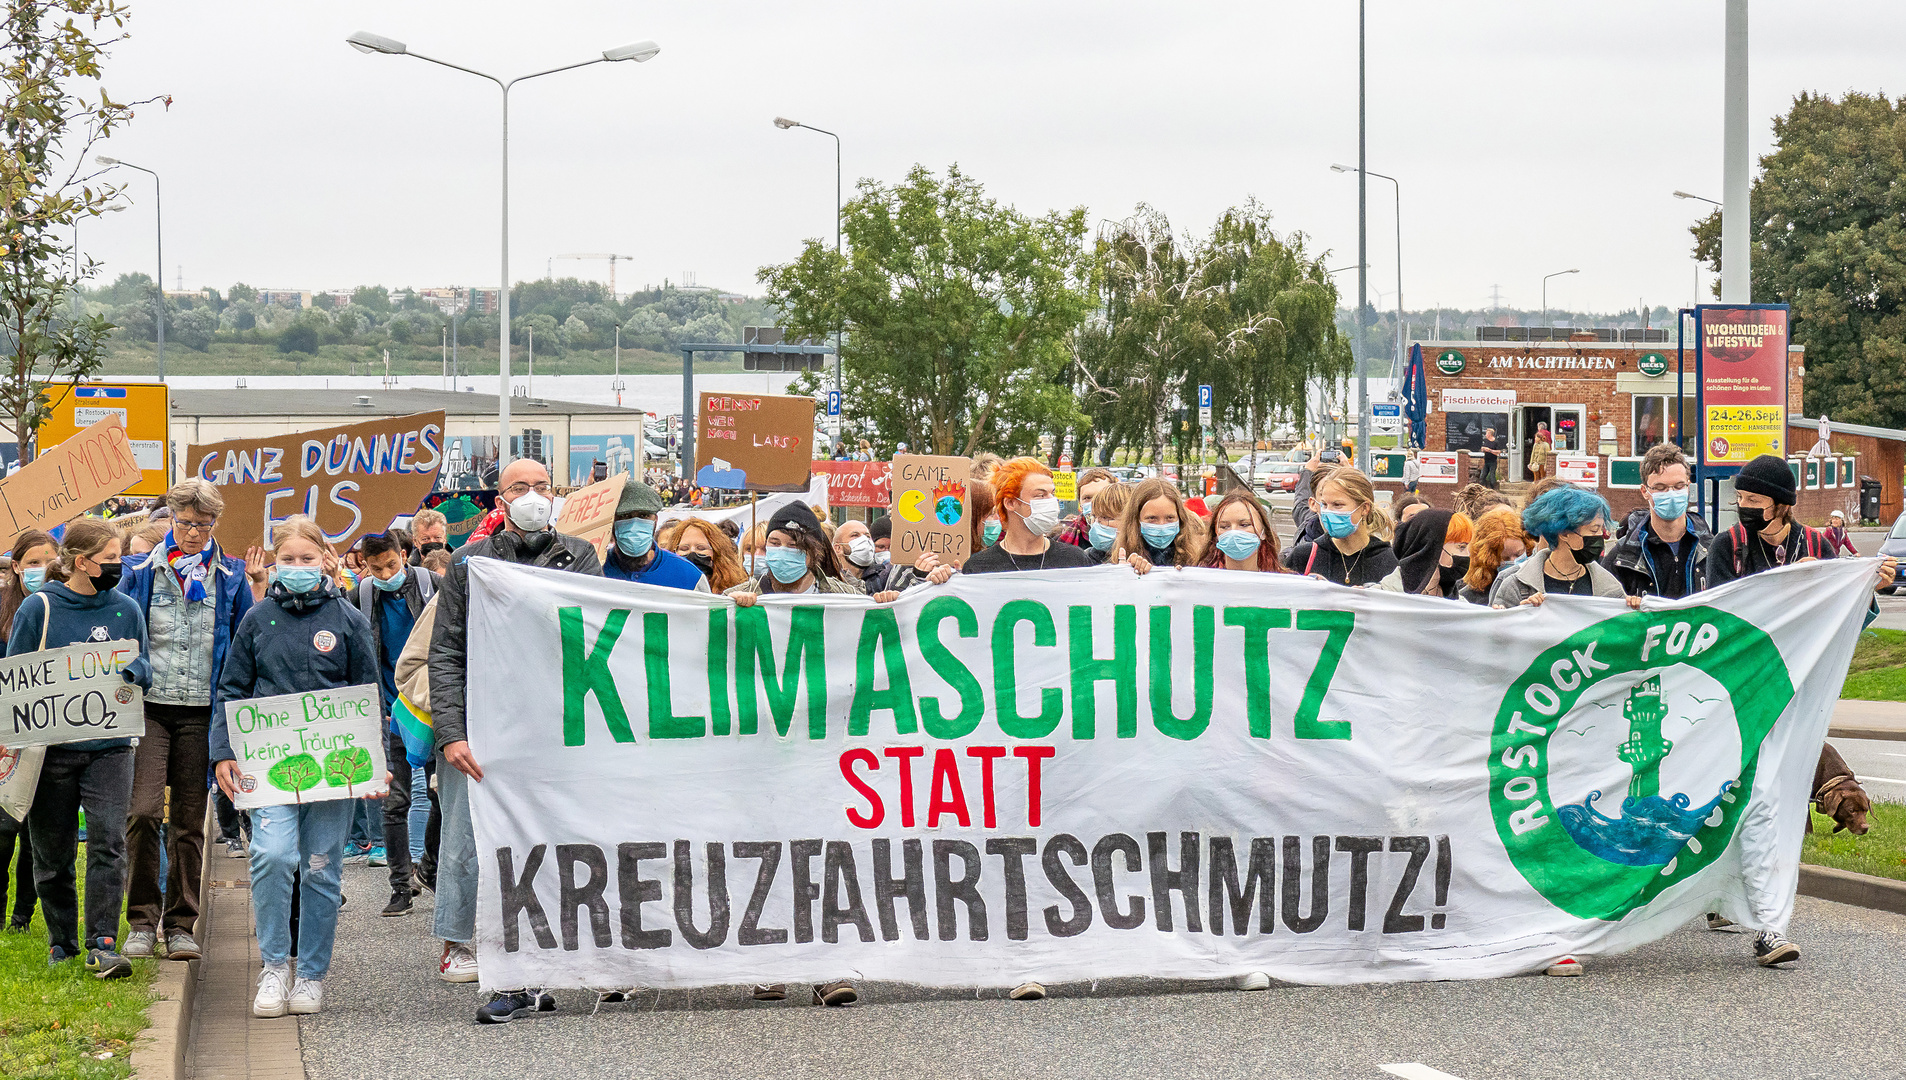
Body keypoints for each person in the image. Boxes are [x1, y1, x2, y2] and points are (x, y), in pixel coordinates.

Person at [428, 458, 603, 1022]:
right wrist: (452, 733)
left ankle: (534, 966)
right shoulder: (469, 563)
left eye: (542, 486)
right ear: (498, 500)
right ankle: (472, 948)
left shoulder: (579, 556)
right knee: (475, 842)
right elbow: (447, 651)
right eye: (520, 488)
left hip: (551, 726)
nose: (533, 496)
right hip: (485, 726)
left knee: (547, 843)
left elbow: (595, 635)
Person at [213, 516, 380, 1018]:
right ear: (274, 562)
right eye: (289, 559)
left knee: (322, 870)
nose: (298, 567)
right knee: (272, 856)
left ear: (326, 560)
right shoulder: (256, 619)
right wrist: (224, 750)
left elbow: (369, 693)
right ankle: (273, 967)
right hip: (269, 766)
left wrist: (377, 764)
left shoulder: (347, 619)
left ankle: (310, 975)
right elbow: (232, 689)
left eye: (308, 559)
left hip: (336, 768)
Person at [117, 478, 256, 964]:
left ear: (215, 524)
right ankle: (140, 921)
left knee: (188, 823)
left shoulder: (232, 577)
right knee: (142, 811)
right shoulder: (139, 573)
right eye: (184, 523)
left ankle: (179, 925)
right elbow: (118, 632)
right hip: (150, 708)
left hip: (203, 712)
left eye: (203, 524)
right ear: (169, 521)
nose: (193, 533)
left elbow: (244, 646)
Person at [11, 518, 152, 979]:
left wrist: (135, 673)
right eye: (111, 559)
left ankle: (103, 942)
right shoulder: (39, 609)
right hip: (50, 751)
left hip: (110, 747)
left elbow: (145, 664)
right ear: (81, 562)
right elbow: (15, 678)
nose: (119, 566)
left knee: (109, 841)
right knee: (52, 854)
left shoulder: (127, 608)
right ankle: (61, 942)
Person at [352, 530, 440, 919]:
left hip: (434, 707)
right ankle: (400, 886)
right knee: (394, 803)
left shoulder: (431, 585)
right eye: (376, 568)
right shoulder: (361, 596)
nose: (386, 572)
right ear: (365, 567)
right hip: (389, 710)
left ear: (404, 555)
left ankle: (431, 868)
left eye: (391, 564)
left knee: (441, 794)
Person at [1489, 486, 1633, 607]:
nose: (1600, 537)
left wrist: (1635, 612)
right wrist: (1521, 615)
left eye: (1601, 530)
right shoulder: (1517, 586)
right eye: (1594, 530)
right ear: (1564, 533)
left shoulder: (1610, 589)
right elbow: (1497, 635)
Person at [1604, 442, 1711, 600]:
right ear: (1644, 491)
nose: (1671, 494)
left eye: (1679, 486)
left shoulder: (1712, 549)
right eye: (1660, 488)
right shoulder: (1623, 556)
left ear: (1688, 487)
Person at [961, 457, 1092, 576]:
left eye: (1052, 493)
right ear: (1010, 503)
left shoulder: (1075, 560)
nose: (1051, 501)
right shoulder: (978, 568)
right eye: (1040, 495)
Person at [725, 502, 868, 601]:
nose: (782, 551)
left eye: (793, 546)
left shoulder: (846, 598)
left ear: (814, 553)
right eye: (774, 543)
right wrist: (730, 609)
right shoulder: (740, 594)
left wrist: (887, 602)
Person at [1283, 467, 1398, 587]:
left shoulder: (1389, 561)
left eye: (1337, 505)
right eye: (1325, 504)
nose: (1328, 512)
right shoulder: (1303, 556)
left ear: (1364, 508)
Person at [601, 482, 708, 591]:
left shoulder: (689, 577)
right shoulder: (594, 572)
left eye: (643, 516)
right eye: (625, 516)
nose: (634, 525)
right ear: (612, 521)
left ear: (655, 521)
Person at [1374, 510, 1474, 597]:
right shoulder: (1378, 597)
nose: (1467, 554)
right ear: (1433, 547)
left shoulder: (1461, 606)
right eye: (1461, 547)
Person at [1117, 479, 1205, 574]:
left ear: (1180, 518)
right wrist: (1125, 572)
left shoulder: (1198, 558)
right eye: (1152, 518)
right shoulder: (1121, 556)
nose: (1162, 525)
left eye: (1170, 518)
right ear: (1136, 520)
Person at [1198, 491, 1288, 573]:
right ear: (1216, 533)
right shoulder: (1200, 582)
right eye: (1224, 527)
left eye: (1244, 525)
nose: (1233, 532)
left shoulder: (1283, 584)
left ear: (1263, 531)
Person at [1461, 508, 1530, 605]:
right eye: (1505, 559)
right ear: (1488, 560)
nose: (1514, 562)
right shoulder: (1470, 598)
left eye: (1519, 554)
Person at [666, 518, 749, 592]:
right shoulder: (664, 589)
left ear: (717, 553)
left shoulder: (737, 591)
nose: (692, 552)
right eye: (684, 549)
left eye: (701, 548)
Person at [1057, 467, 1116, 548]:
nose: (1094, 503)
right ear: (1080, 504)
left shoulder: (1133, 536)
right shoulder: (1065, 539)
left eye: (1102, 496)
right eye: (1087, 498)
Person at [832, 518, 890, 593]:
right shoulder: (830, 580)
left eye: (867, 536)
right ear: (838, 548)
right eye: (855, 535)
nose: (864, 539)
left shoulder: (885, 577)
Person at [1081, 482, 1131, 565]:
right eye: (1093, 517)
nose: (1096, 524)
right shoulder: (1086, 559)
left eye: (1105, 518)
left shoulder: (1151, 559)